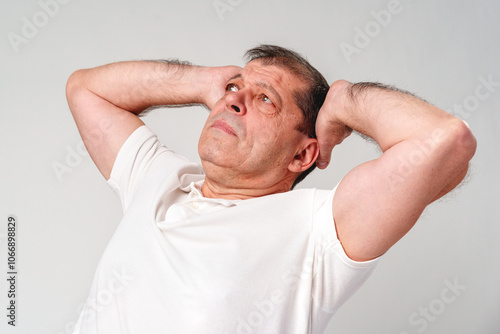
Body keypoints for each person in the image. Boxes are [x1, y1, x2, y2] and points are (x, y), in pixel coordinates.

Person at [66, 45, 476, 334]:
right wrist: (201, 81)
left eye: (265, 99)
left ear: (302, 155)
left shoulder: (319, 232)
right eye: (233, 90)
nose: (234, 101)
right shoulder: (157, 178)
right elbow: (85, 90)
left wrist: (346, 100)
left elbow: (446, 141)